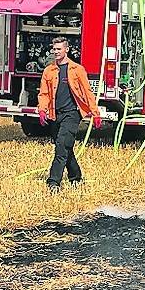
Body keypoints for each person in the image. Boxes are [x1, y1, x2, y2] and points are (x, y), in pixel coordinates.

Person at [37, 36, 101, 193]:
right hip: (54, 115)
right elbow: (44, 93)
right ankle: (76, 177)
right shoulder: (49, 71)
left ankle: (53, 182)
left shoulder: (77, 70)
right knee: (66, 147)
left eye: (59, 49)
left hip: (72, 114)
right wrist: (42, 110)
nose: (56, 52)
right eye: (54, 49)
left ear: (67, 49)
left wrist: (95, 112)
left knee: (61, 146)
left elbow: (87, 92)